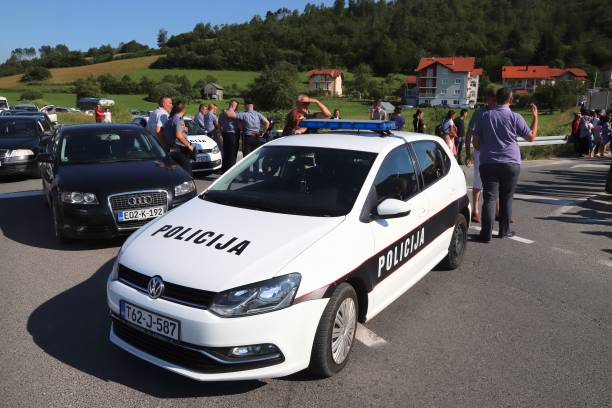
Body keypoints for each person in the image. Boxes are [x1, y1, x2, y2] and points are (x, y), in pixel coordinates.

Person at [472, 88, 538, 242]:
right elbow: (531, 137)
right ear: (510, 100)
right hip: (511, 162)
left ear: (496, 99)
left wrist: (487, 148)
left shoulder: (484, 116)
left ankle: (486, 234)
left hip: (488, 162)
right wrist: (535, 117)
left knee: (489, 198)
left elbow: (475, 143)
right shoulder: (516, 117)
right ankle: (504, 231)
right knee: (506, 198)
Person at [466, 87, 496, 224]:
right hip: (481, 151)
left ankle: (499, 212)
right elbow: (469, 133)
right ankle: (475, 211)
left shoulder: (499, 112)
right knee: (479, 180)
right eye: (494, 99)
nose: (496, 102)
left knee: (497, 182)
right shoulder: (479, 113)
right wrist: (467, 153)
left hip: (496, 152)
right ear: (489, 99)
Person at [163, 100, 194, 174]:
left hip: (171, 150)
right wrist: (189, 145)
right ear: (183, 109)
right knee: (188, 173)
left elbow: (180, 131)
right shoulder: (177, 119)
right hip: (178, 150)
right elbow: (179, 135)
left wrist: (184, 129)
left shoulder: (173, 118)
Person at [219, 99, 240, 171]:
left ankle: (224, 169)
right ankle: (231, 170)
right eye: (236, 106)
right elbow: (239, 125)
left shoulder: (222, 114)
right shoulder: (235, 113)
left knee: (226, 152)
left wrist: (222, 132)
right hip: (233, 135)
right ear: (233, 105)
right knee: (232, 154)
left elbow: (220, 125)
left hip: (225, 134)